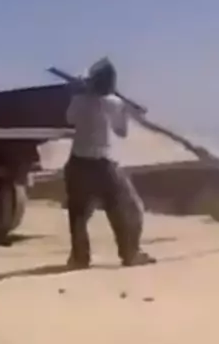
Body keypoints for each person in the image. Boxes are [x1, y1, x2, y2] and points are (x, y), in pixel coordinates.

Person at [64, 59, 156, 269]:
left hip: (77, 164)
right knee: (130, 207)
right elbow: (121, 132)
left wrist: (76, 93)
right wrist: (128, 112)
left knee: (78, 213)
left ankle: (79, 258)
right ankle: (131, 253)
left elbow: (69, 119)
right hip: (102, 166)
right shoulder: (114, 103)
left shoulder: (79, 100)